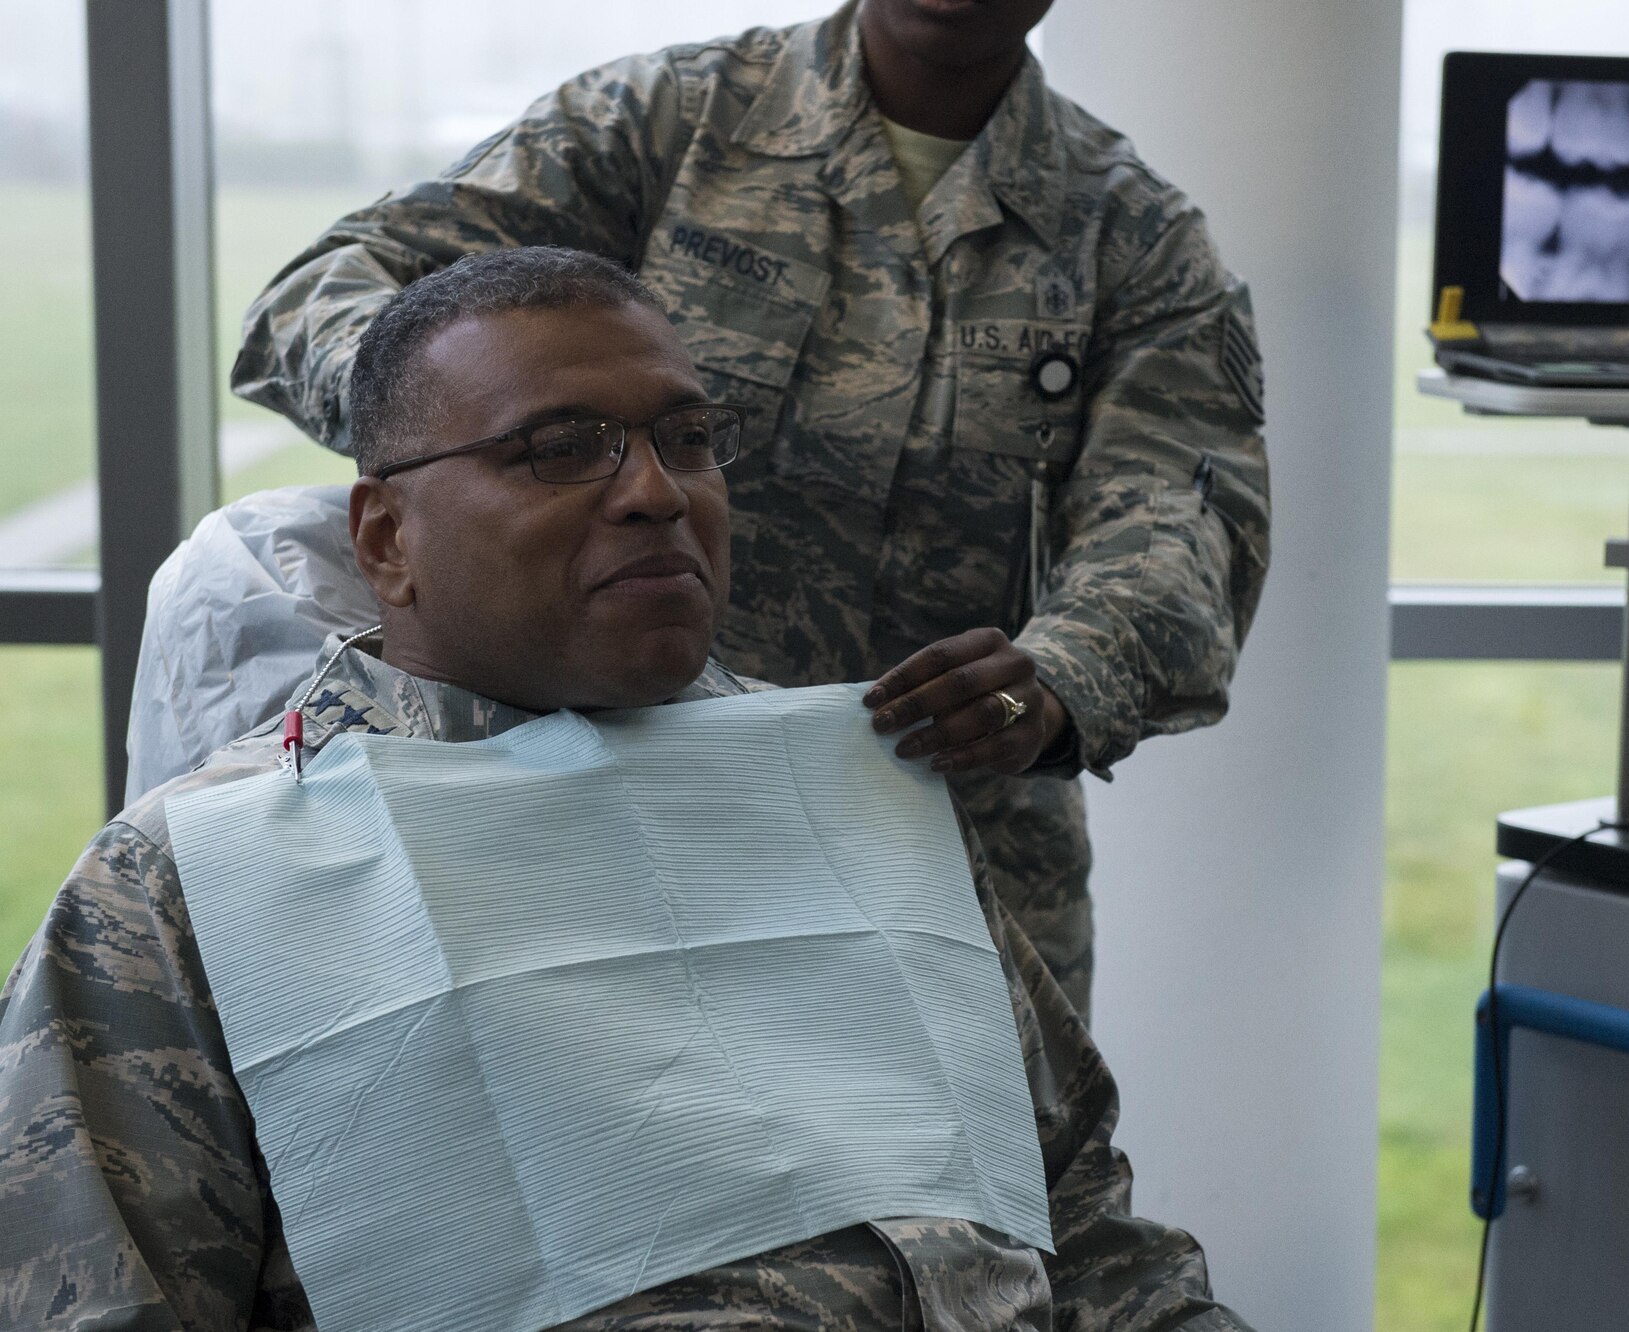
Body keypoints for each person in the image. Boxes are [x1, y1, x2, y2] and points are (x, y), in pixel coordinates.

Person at [0, 249, 1250, 1332]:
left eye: (687, 440)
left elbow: (1083, 1234)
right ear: (385, 539)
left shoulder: (857, 793)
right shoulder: (202, 882)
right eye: (563, 449)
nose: (657, 491)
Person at [230, 0, 1272, 1019]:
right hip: (591, 806)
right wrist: (475, 429)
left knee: (987, 1186)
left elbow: (1180, 520)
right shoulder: (666, 126)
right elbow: (322, 295)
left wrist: (1056, 680)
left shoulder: (1132, 237)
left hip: (945, 851)